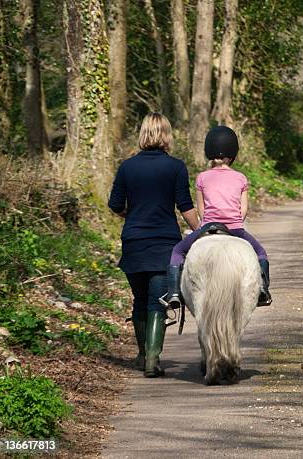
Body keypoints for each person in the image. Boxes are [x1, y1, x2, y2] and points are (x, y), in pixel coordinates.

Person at [108, 112, 199, 378]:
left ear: (143, 133)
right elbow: (185, 206)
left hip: (134, 242)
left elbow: (115, 204)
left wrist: (133, 215)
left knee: (139, 300)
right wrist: (202, 230)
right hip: (164, 243)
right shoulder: (176, 167)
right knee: (157, 302)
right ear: (167, 135)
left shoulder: (127, 167)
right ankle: (152, 359)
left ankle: (142, 354)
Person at [163, 125, 272, 309]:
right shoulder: (241, 178)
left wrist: (205, 224)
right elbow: (243, 210)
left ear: (208, 151)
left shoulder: (202, 178)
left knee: (177, 251)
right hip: (235, 229)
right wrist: (234, 221)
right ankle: (263, 290)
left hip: (208, 227)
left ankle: (174, 292)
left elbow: (202, 210)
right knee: (261, 253)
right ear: (232, 153)